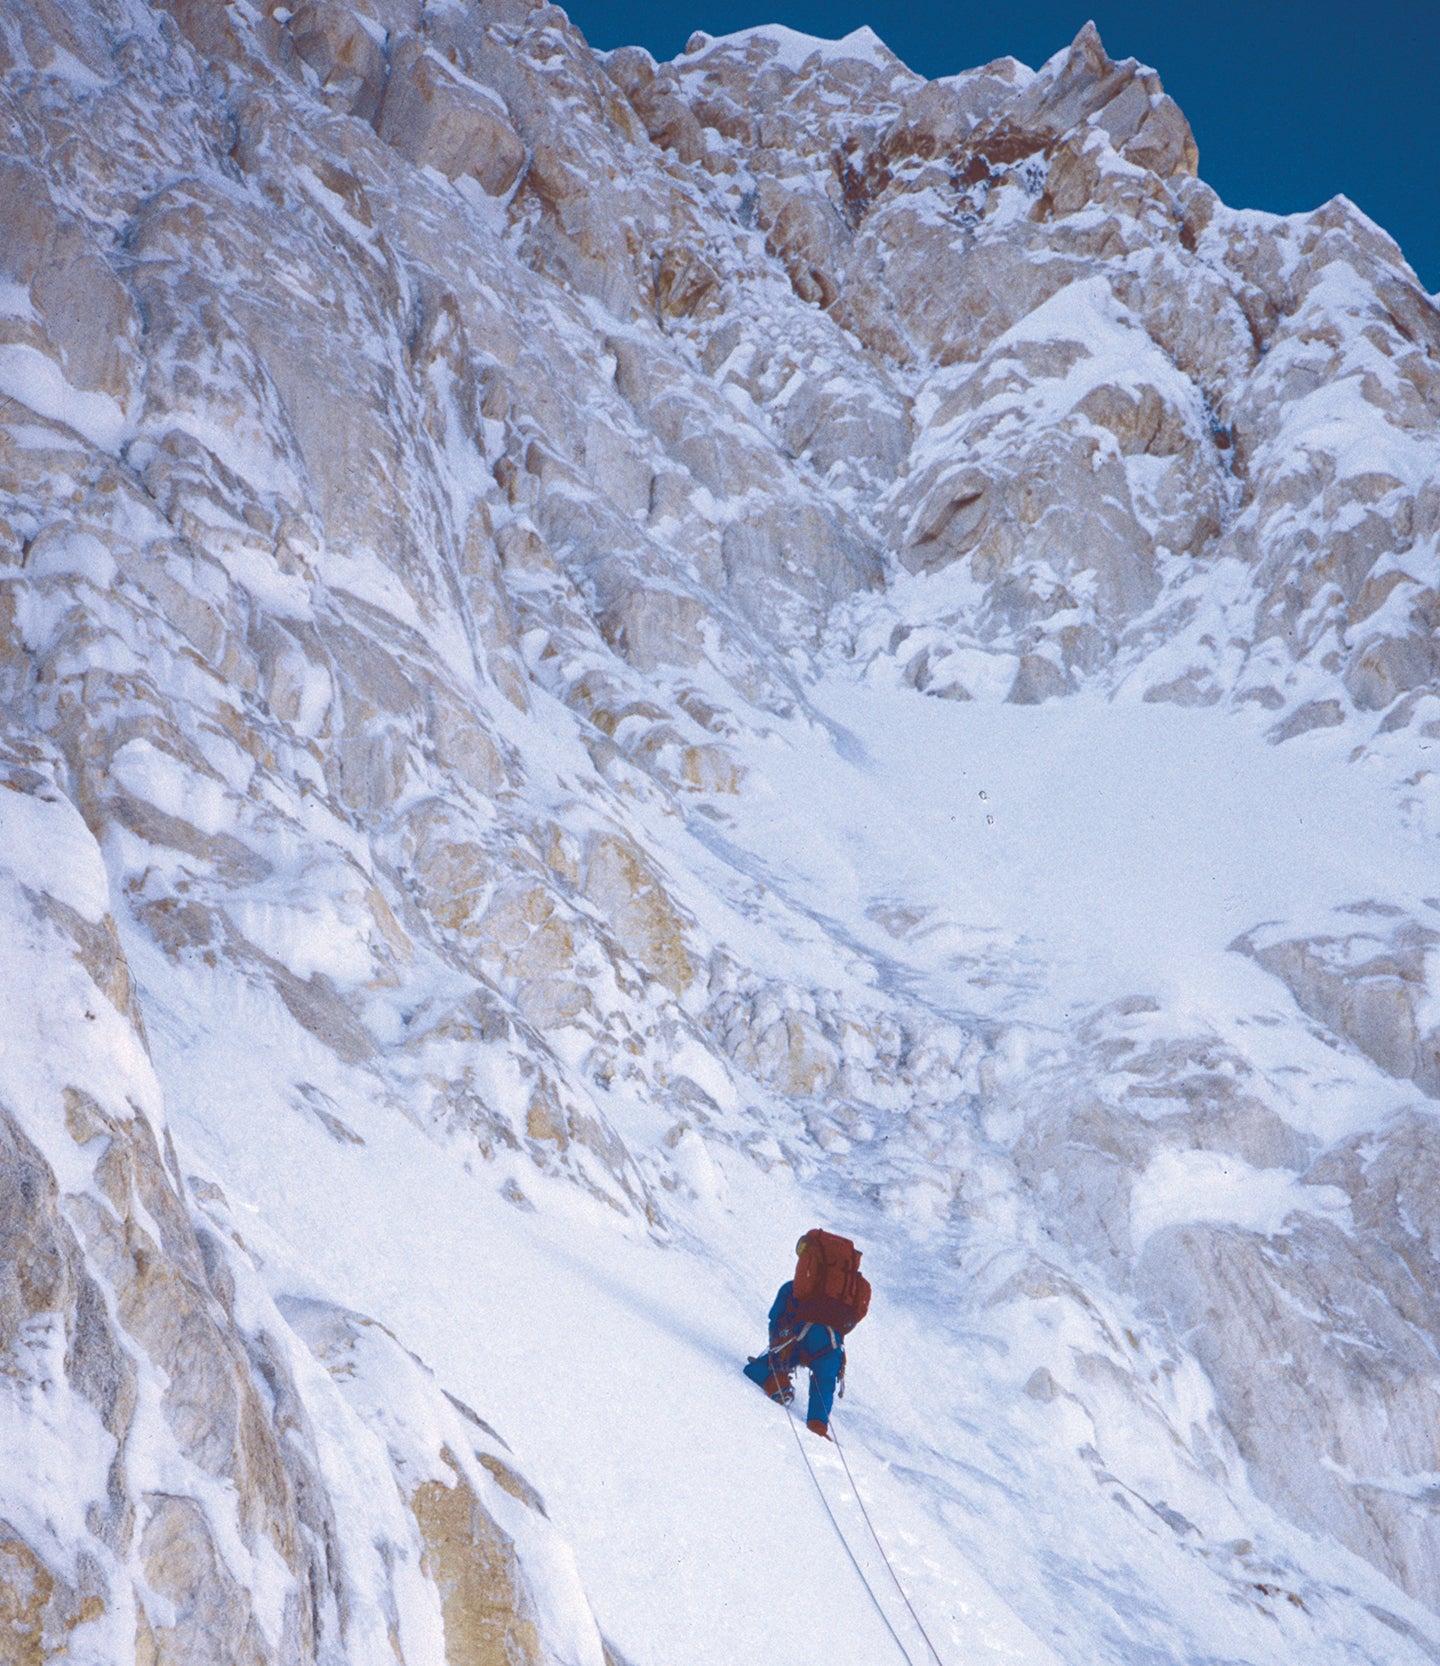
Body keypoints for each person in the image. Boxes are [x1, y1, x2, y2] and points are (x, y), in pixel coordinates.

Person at [743, 1229, 871, 1439]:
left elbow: (776, 1317)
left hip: (801, 1336)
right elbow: (855, 1316)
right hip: (832, 1344)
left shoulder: (791, 1288)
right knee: (825, 1382)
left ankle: (778, 1384)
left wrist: (775, 1351)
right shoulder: (850, 1290)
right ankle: (817, 1426)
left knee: (753, 1369)